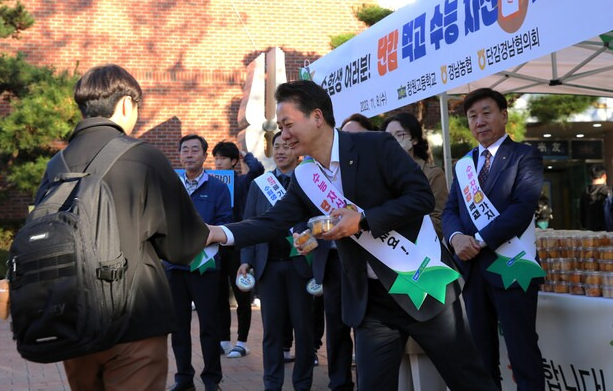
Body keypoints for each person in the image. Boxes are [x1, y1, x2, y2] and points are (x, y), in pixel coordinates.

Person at [208, 80, 496, 391]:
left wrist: (363, 220)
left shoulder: (376, 146)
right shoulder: (306, 177)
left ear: (317, 117)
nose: (284, 135)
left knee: (470, 382)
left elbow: (421, 197)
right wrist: (218, 233)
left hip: (422, 282)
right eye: (281, 127)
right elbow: (270, 222)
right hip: (370, 302)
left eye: (288, 124)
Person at [50, 64, 209, 391]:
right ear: (125, 105)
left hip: (74, 319)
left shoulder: (57, 164)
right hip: (134, 319)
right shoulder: (143, 157)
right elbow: (183, 247)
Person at [443, 88, 545, 390]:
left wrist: (478, 240)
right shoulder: (464, 164)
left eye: (486, 113)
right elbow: (450, 209)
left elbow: (522, 209)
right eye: (473, 116)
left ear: (504, 115)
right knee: (480, 358)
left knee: (522, 353)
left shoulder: (525, 156)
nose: (479, 121)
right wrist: (456, 238)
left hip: (513, 266)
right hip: (473, 273)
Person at [238, 131, 316, 391]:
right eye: (277, 147)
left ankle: (302, 383)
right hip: (268, 266)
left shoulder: (309, 182)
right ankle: (272, 383)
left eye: (286, 146)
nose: (281, 151)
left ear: (297, 150)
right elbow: (250, 223)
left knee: (304, 329)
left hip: (301, 266)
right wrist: (246, 260)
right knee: (271, 330)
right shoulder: (261, 184)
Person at [165, 134, 232, 391]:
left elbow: (227, 223)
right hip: (175, 266)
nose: (190, 154)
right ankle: (183, 378)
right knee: (179, 327)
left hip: (205, 265)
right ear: (180, 155)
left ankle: (211, 379)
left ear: (205, 156)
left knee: (209, 326)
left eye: (195, 150)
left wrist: (206, 235)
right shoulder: (171, 188)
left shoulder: (218, 188)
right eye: (185, 150)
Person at [212, 141, 264, 357]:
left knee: (243, 293)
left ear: (233, 161)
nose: (217, 162)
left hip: (239, 243)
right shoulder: (212, 184)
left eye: (222, 158)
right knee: (220, 294)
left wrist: (245, 153)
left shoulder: (242, 182)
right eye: (215, 158)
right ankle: (224, 339)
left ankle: (242, 341)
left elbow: (258, 170)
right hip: (218, 244)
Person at [380, 112, 448, 238]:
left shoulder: (432, 174)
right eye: (388, 137)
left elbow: (439, 220)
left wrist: (403, 235)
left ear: (415, 139)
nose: (393, 141)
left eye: (400, 135)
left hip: (420, 248)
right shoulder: (379, 175)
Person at [579, 164, 610, 231]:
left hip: (590, 231)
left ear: (591, 177)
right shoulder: (608, 192)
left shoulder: (584, 192)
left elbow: (582, 215)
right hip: (607, 232)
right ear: (604, 176)